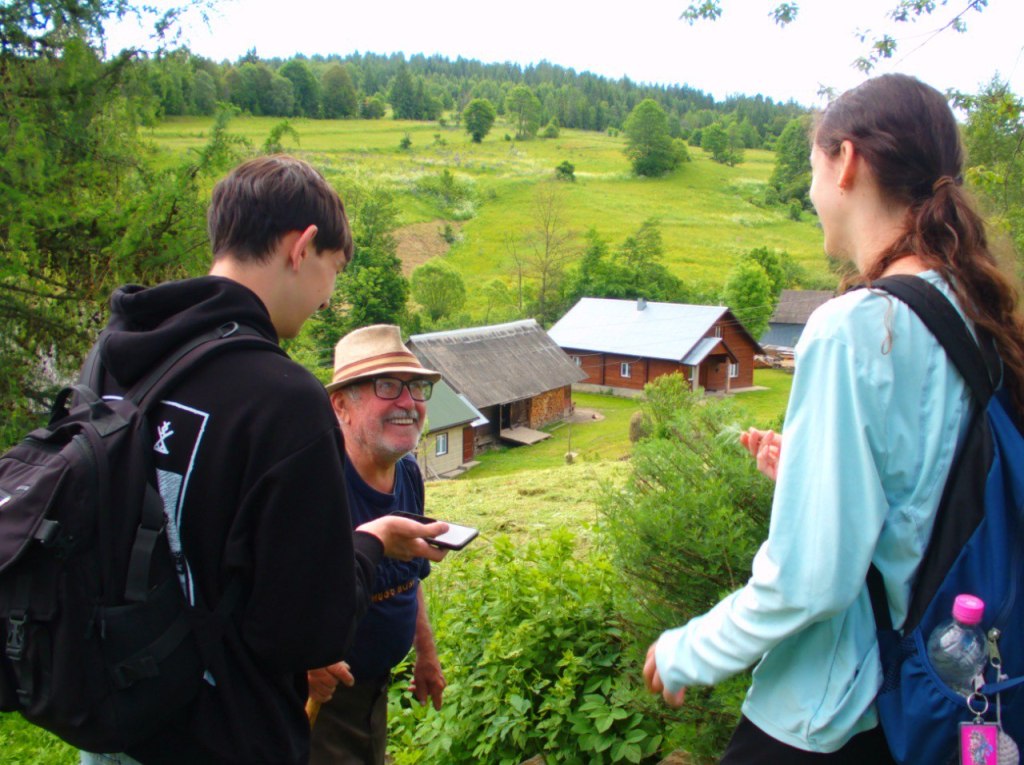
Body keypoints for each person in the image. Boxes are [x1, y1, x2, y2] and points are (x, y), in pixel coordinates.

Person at [642, 73, 1024, 763]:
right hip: (936, 687)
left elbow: (810, 580)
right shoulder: (974, 309)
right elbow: (926, 497)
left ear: (845, 161)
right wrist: (809, 479)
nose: (811, 190)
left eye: (812, 166)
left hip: (844, 705)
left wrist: (688, 650)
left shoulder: (855, 328)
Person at [79, 155, 448, 765]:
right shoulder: (280, 397)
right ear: (302, 247)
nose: (326, 300)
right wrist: (374, 541)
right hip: (213, 730)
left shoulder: (123, 353)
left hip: (114, 707)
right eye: (333, 270)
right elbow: (305, 631)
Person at [308, 324, 447, 765]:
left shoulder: (407, 474)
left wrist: (426, 652)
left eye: (416, 387)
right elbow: (266, 590)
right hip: (320, 702)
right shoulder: (315, 484)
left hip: (375, 690)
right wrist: (303, 663)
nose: (408, 402)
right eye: (387, 386)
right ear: (341, 406)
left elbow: (411, 575)